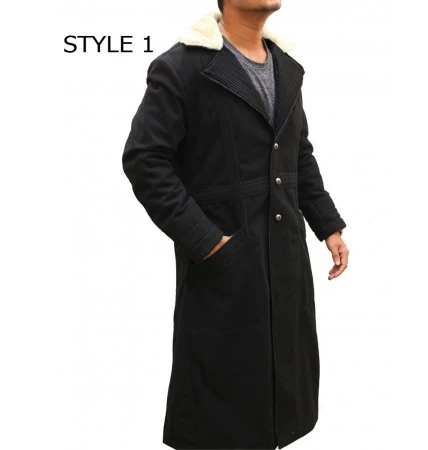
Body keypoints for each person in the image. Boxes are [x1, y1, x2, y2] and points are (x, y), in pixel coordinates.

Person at [122, 2, 349, 449]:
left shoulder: (286, 67)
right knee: (222, 409)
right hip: (225, 265)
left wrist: (328, 224)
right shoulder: (183, 67)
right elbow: (145, 159)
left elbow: (298, 152)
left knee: (281, 393)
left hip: (285, 258)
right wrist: (207, 240)